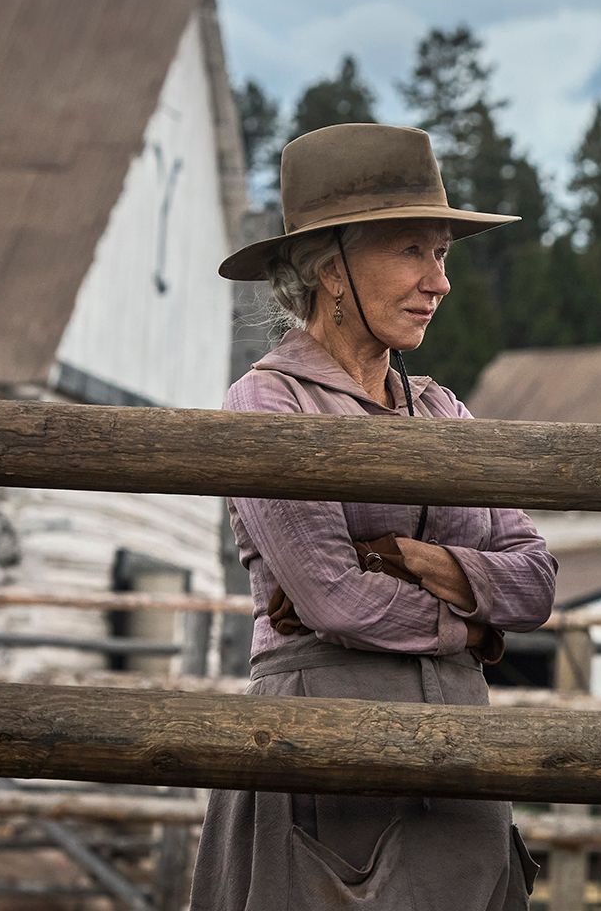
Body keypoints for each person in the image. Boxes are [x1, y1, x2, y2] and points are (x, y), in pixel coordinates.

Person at [192, 123, 556, 910]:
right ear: (331, 268)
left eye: (443, 254)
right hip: (326, 736)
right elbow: (332, 598)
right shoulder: (269, 400)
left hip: (460, 747)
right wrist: (477, 627)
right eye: (411, 251)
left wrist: (414, 558)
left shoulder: (444, 410)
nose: (440, 282)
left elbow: (536, 582)